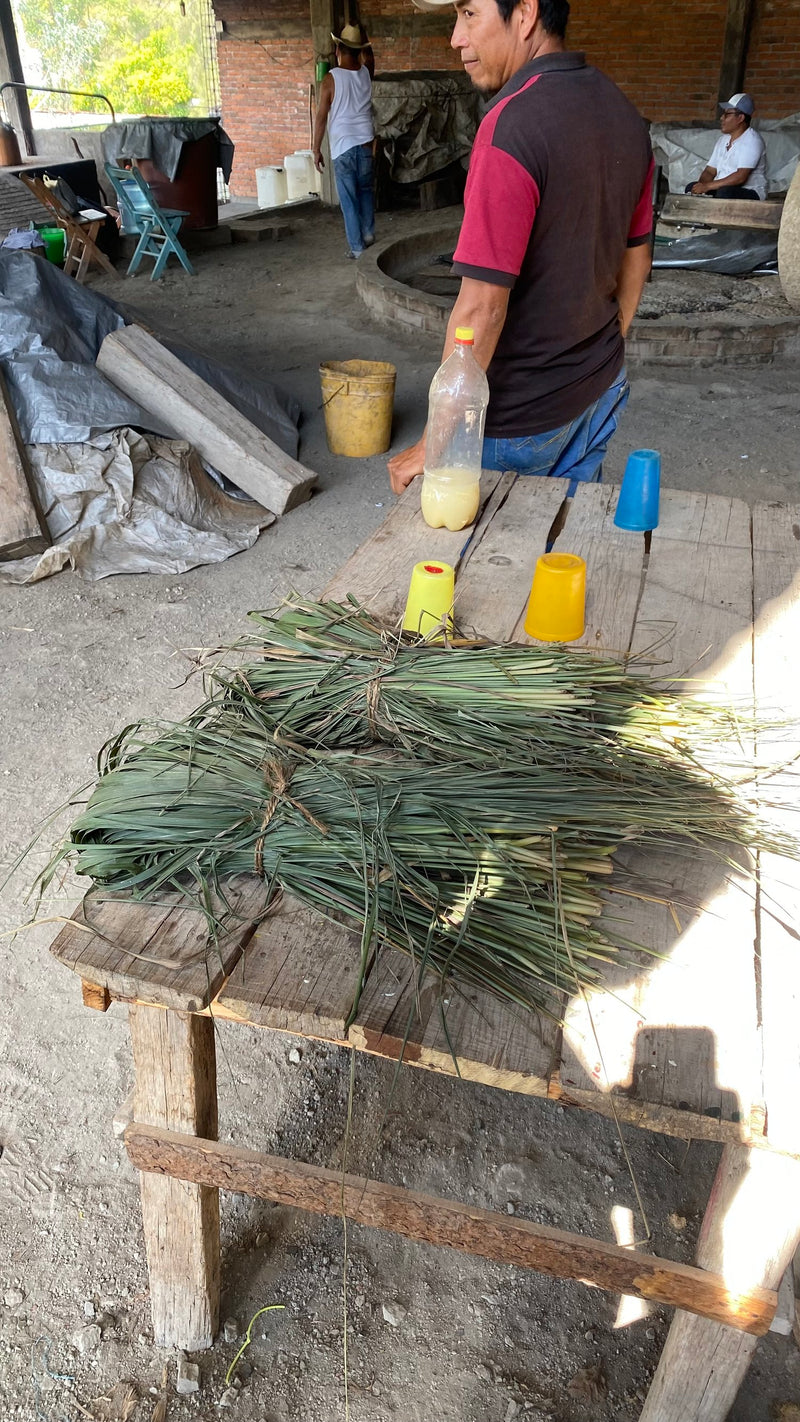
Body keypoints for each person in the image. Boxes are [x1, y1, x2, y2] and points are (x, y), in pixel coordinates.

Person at [388, 0, 653, 497]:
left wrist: (435, 440)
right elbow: (637, 258)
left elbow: (482, 307)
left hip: (520, 421)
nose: (456, 37)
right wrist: (602, 348)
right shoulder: (624, 114)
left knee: (487, 544)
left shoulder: (511, 126)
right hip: (599, 387)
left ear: (526, 13)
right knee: (564, 534)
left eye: (469, 13)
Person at [313, 24, 376, 259]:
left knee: (349, 199)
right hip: (366, 143)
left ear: (338, 49)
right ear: (359, 50)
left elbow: (321, 117)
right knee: (366, 191)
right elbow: (370, 57)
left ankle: (357, 248)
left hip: (343, 147)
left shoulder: (330, 79)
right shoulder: (366, 72)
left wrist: (316, 148)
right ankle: (368, 234)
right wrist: (363, 36)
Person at [687, 93, 767, 201]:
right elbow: (710, 171)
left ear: (740, 118)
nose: (721, 118)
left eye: (727, 114)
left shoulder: (752, 140)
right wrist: (700, 187)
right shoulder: (723, 140)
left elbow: (740, 177)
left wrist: (707, 186)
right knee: (691, 187)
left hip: (750, 191)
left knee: (725, 192)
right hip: (721, 189)